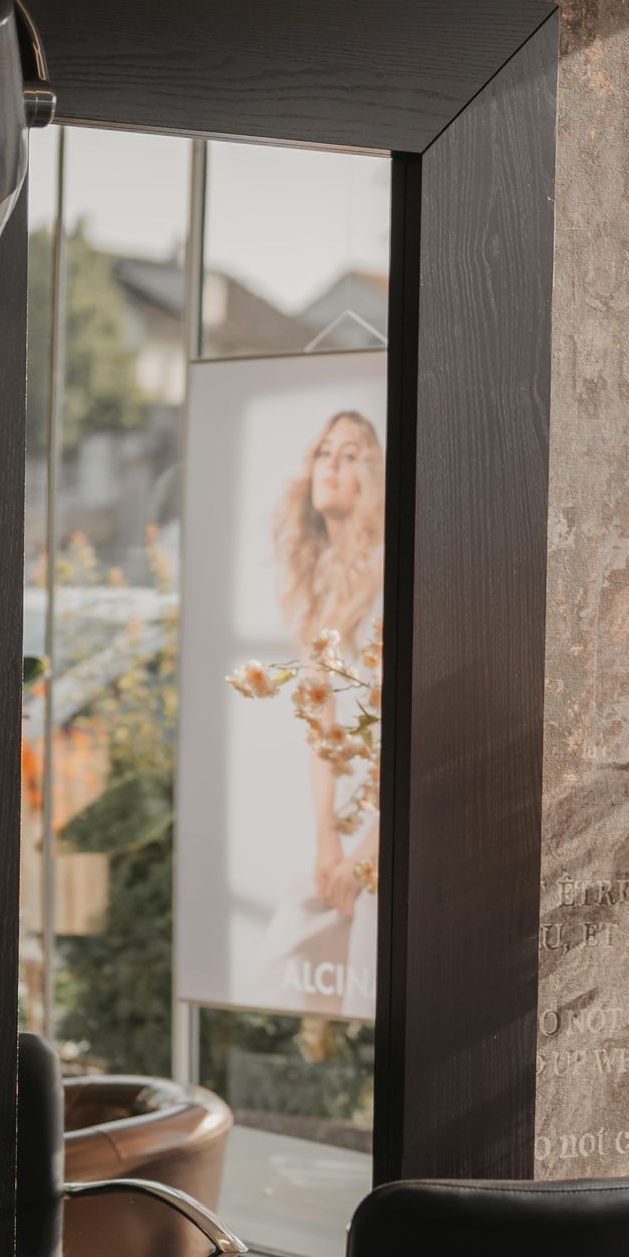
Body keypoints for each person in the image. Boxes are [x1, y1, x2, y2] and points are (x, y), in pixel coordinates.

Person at [262, 408, 383, 1015]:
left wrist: (368, 850)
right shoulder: (316, 586)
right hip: (344, 823)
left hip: (390, 823)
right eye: (323, 452)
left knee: (369, 988)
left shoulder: (390, 575)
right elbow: (322, 728)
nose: (331, 465)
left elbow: (411, 727)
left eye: (350, 454)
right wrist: (327, 843)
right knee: (287, 964)